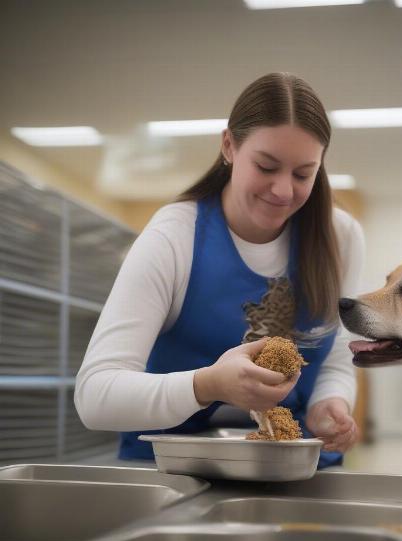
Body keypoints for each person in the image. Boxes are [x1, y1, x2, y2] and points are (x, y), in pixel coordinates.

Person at [75, 72, 365, 469]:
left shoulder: (340, 236)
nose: (283, 190)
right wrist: (206, 385)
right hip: (176, 469)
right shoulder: (174, 236)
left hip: (292, 467)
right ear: (229, 146)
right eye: (266, 166)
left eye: (303, 174)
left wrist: (329, 404)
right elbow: (95, 396)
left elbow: (332, 357)